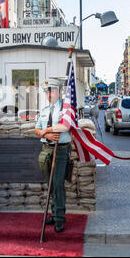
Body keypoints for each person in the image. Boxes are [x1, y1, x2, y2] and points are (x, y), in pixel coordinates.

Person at [35, 79, 72, 233]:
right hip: (46, 149)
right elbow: (37, 130)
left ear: (59, 92)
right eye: (47, 92)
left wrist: (46, 131)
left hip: (61, 150)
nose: (49, 94)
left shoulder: (66, 109)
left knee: (57, 184)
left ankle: (59, 219)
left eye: (53, 91)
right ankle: (54, 213)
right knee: (50, 184)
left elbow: (65, 126)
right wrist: (45, 134)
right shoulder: (43, 111)